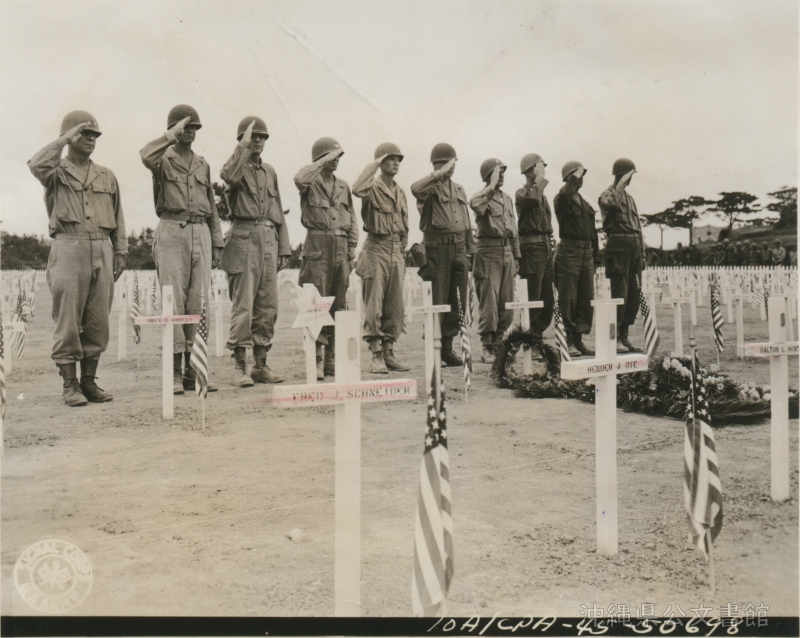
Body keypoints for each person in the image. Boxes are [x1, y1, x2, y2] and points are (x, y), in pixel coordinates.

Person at [28, 111, 127, 406]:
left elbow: (118, 216)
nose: (91, 139)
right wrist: (62, 141)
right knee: (68, 319)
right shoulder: (55, 171)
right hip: (69, 247)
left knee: (98, 320)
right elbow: (36, 165)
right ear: (70, 136)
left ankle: (88, 382)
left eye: (94, 135)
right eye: (84, 134)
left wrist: (120, 251)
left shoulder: (106, 175)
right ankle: (69, 385)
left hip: (102, 248)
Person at [140, 105, 224, 394]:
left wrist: (217, 242)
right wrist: (169, 136)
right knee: (173, 302)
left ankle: (193, 369)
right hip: (172, 230)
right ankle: (175, 370)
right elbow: (145, 155)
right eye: (184, 127)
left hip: (201, 231)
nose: (190, 132)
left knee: (198, 302)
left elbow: (211, 206)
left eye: (193, 128)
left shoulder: (202, 164)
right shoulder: (163, 158)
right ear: (174, 129)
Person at [219, 117, 291, 387]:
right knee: (244, 306)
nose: (258, 141)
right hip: (243, 237)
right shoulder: (235, 167)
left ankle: (260, 365)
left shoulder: (269, 171)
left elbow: (278, 210)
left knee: (267, 306)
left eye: (262, 137)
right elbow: (228, 176)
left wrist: (283, 247)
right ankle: (240, 366)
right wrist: (244, 147)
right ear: (242, 139)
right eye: (253, 136)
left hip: (269, 239)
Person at [294, 137, 358, 380]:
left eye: (338, 156)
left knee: (339, 305)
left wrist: (351, 249)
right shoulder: (310, 182)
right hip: (317, 246)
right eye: (330, 156)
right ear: (319, 159)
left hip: (341, 246)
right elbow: (299, 178)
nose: (336, 160)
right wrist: (321, 163)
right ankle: (317, 359)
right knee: (316, 304)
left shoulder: (343, 186)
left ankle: (332, 358)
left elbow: (352, 220)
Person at [411, 143, 476, 367]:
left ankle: (447, 348)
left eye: (453, 162)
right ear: (436, 164)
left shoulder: (459, 189)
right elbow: (415, 189)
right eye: (446, 163)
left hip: (459, 248)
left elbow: (466, 222)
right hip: (437, 248)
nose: (451, 166)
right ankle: (434, 348)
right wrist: (438, 174)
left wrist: (471, 251)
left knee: (457, 301)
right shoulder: (428, 188)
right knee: (437, 301)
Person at [352, 143, 410, 374]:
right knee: (374, 305)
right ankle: (376, 355)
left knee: (395, 306)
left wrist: (402, 249)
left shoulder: (400, 192)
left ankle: (388, 353)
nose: (396, 163)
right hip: (376, 248)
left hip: (395, 251)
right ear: (380, 162)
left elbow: (404, 227)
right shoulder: (372, 188)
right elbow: (357, 188)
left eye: (398, 159)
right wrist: (374, 164)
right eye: (390, 159)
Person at [469, 159, 520, 363]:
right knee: (489, 302)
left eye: (503, 172)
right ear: (489, 176)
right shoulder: (481, 196)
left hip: (506, 252)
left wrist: (516, 256)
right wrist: (490, 187)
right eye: (498, 172)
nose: (502, 176)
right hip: (488, 252)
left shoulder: (507, 199)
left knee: (507, 303)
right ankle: (487, 347)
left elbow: (514, 230)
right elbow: (475, 205)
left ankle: (499, 344)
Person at [598, 158, 645, 352]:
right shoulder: (607, 195)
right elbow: (613, 205)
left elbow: (638, 227)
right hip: (618, 247)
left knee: (634, 294)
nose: (630, 180)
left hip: (633, 247)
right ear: (621, 175)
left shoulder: (630, 198)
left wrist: (642, 254)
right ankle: (615, 337)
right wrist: (621, 184)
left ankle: (624, 336)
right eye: (628, 176)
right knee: (620, 293)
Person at [553, 161, 598, 357]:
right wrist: (573, 178)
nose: (581, 179)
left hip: (586, 254)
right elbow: (565, 195)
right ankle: (567, 340)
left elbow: (592, 232)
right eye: (577, 176)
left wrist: (595, 256)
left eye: (581, 176)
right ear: (569, 178)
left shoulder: (586, 204)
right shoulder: (561, 199)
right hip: (569, 253)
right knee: (568, 298)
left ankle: (578, 340)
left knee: (585, 299)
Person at [515, 153, 554, 343]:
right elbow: (532, 199)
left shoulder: (542, 196)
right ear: (529, 171)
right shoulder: (522, 193)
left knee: (547, 299)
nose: (542, 170)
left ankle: (537, 334)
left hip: (545, 248)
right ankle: (530, 338)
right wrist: (540, 179)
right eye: (538, 167)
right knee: (533, 297)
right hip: (531, 249)